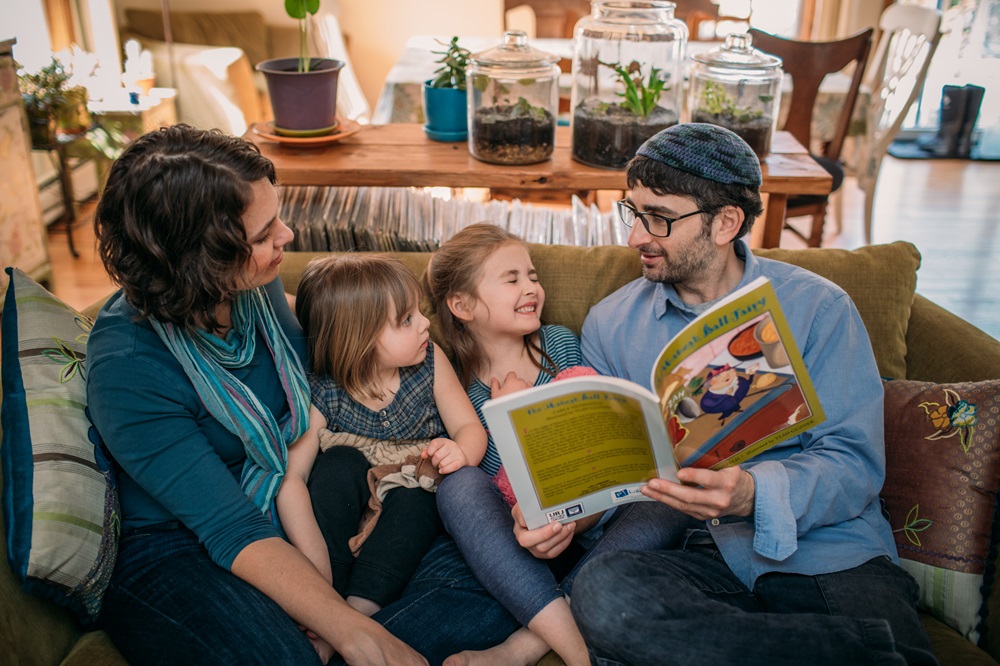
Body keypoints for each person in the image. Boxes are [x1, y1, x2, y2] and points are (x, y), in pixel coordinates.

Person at [570, 123, 936, 665]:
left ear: (726, 222)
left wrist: (752, 493)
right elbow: (608, 473)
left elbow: (855, 464)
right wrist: (571, 511)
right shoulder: (610, 324)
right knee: (603, 592)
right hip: (694, 560)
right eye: (633, 212)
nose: (635, 237)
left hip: (826, 555)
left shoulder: (818, 309)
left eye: (659, 219)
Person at [86, 124, 424, 665]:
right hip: (180, 543)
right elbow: (229, 526)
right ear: (203, 263)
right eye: (265, 232)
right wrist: (351, 630)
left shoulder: (251, 287)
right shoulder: (129, 368)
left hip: (288, 492)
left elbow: (338, 349)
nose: (287, 236)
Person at [423, 223, 684, 666]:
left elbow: (590, 435)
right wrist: (508, 418)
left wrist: (578, 516)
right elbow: (496, 483)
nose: (531, 288)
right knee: (458, 489)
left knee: (671, 500)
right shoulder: (459, 390)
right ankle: (572, 643)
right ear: (462, 305)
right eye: (512, 279)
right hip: (521, 539)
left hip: (599, 524)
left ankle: (527, 644)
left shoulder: (558, 343)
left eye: (534, 276)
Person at [280, 254, 486, 618]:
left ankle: (363, 605)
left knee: (417, 499)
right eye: (407, 319)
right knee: (336, 467)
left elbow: (469, 428)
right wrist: (311, 564)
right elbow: (293, 477)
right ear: (357, 340)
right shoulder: (324, 389)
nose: (426, 324)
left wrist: (460, 451)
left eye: (418, 311)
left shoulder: (430, 362)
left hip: (410, 486)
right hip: (351, 498)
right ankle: (328, 593)